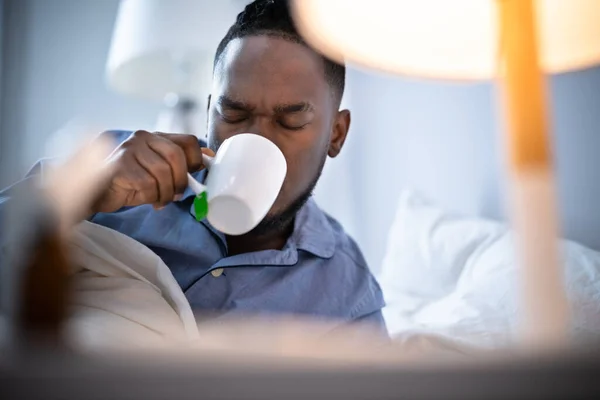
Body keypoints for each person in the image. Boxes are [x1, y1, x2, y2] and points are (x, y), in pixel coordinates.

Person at [0, 0, 386, 334]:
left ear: (336, 134)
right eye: (233, 113)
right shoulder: (113, 165)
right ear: (207, 113)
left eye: (290, 122)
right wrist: (84, 198)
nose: (257, 139)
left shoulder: (348, 296)